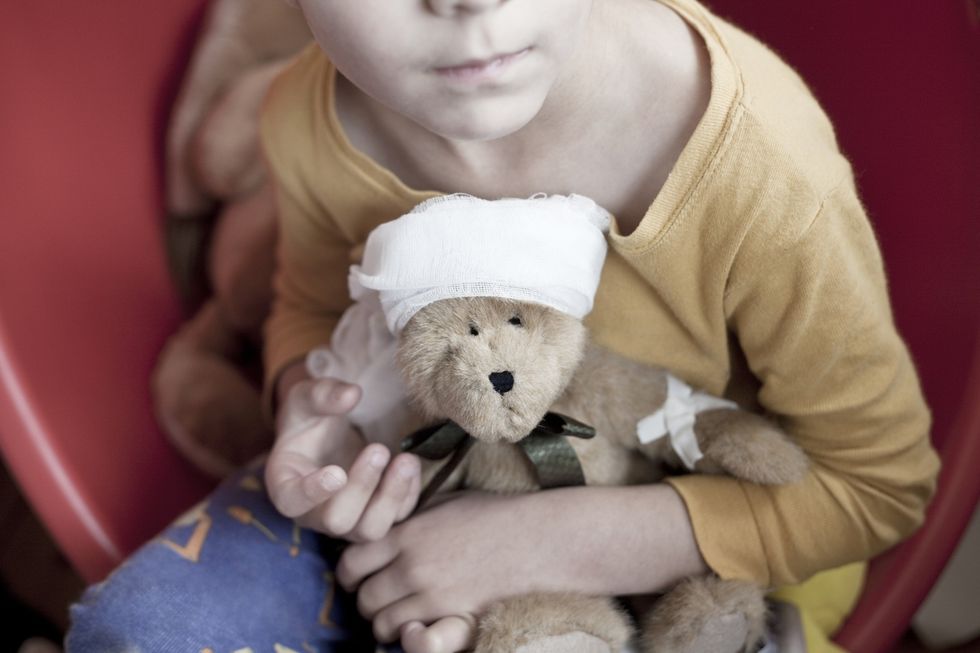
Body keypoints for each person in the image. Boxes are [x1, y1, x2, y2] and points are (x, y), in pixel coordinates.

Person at [67, 0, 940, 652]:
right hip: (417, 491)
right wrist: (310, 401)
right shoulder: (307, 114)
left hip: (703, 537)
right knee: (138, 631)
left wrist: (551, 546)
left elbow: (876, 485)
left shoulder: (762, 171)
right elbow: (308, 300)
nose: (468, 4)